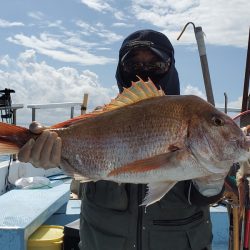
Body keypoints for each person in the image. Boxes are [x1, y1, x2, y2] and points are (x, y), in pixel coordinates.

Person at [18, 29, 225, 250]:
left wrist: (213, 182)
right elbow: (78, 176)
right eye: (133, 66)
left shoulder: (195, 118)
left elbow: (210, 194)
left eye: (156, 65)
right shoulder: (99, 121)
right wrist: (53, 155)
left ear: (171, 68)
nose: (145, 73)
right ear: (120, 70)